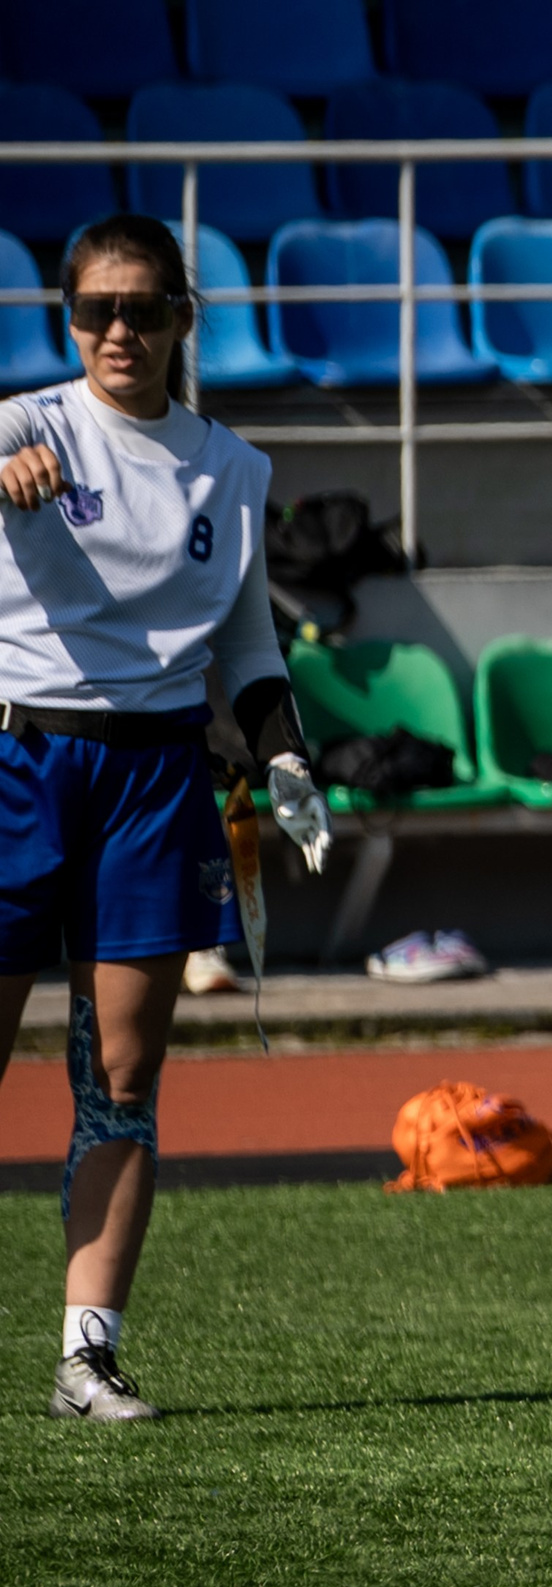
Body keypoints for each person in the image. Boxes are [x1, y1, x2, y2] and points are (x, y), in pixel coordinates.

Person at [0, 215, 331, 1420]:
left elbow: (244, 638)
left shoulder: (231, 470)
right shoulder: (23, 427)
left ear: (183, 319)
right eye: (96, 310)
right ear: (68, 319)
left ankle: (86, 1357)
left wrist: (287, 757)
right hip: (23, 761)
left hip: (156, 779)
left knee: (124, 1077)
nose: (119, 332)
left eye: (142, 309)